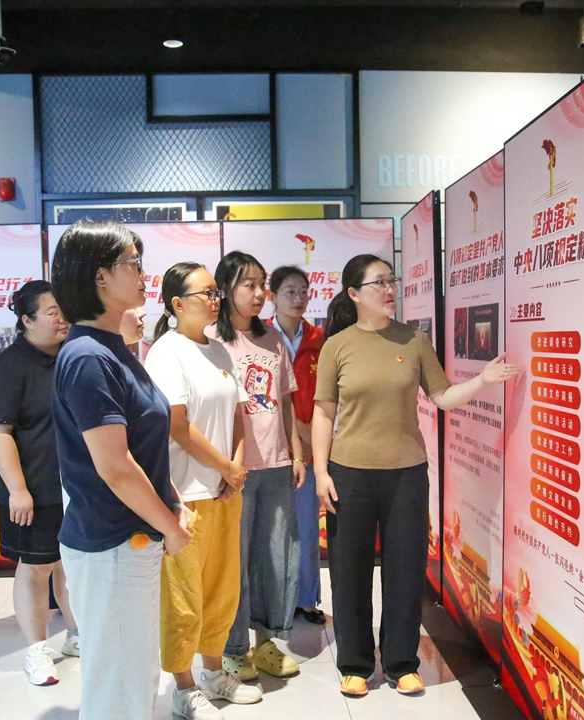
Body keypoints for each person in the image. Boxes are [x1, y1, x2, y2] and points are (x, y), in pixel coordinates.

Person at [312, 254, 522, 698]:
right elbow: (323, 411)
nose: (390, 290)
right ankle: (355, 663)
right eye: (379, 283)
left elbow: (443, 397)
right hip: (349, 473)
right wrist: (319, 470)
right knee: (349, 573)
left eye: (393, 280)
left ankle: (402, 662)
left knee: (406, 570)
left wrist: (483, 379)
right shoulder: (338, 345)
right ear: (354, 294)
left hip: (406, 473)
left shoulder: (415, 339)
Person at [50, 221, 192, 720]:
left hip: (130, 540)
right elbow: (116, 467)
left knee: (133, 675)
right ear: (101, 277)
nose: (143, 273)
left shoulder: (113, 350)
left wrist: (171, 501)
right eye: (133, 263)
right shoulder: (88, 358)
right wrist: (169, 525)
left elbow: (142, 445)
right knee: (119, 685)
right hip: (111, 542)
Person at [144, 262, 263, 720]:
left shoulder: (219, 351)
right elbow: (177, 427)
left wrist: (234, 469)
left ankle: (214, 672)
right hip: (186, 492)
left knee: (221, 588)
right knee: (183, 597)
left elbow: (237, 414)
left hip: (223, 489)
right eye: (204, 294)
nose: (215, 300)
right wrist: (227, 468)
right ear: (176, 304)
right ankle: (183, 686)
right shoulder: (165, 353)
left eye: (216, 292)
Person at [208, 252, 303, 682]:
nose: (259, 293)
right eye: (249, 284)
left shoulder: (273, 340)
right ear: (225, 288)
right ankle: (232, 649)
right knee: (234, 561)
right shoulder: (209, 339)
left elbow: (285, 402)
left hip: (276, 465)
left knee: (276, 558)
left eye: (262, 284)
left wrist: (296, 454)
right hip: (232, 470)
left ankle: (267, 642)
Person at [0, 280, 79, 687]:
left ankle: (76, 635)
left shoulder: (72, 359)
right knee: (36, 567)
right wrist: (19, 490)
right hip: (33, 490)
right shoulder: (5, 370)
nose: (62, 319)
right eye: (52, 312)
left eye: (63, 310)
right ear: (26, 320)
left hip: (75, 488)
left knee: (70, 566)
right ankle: (36, 650)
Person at [267, 265, 327, 626]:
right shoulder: (258, 337)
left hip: (311, 446)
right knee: (272, 531)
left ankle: (306, 599)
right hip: (270, 448)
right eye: (289, 291)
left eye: (303, 291)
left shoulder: (321, 339)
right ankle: (273, 600)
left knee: (306, 528)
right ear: (272, 296)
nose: (298, 298)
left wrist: (310, 438)